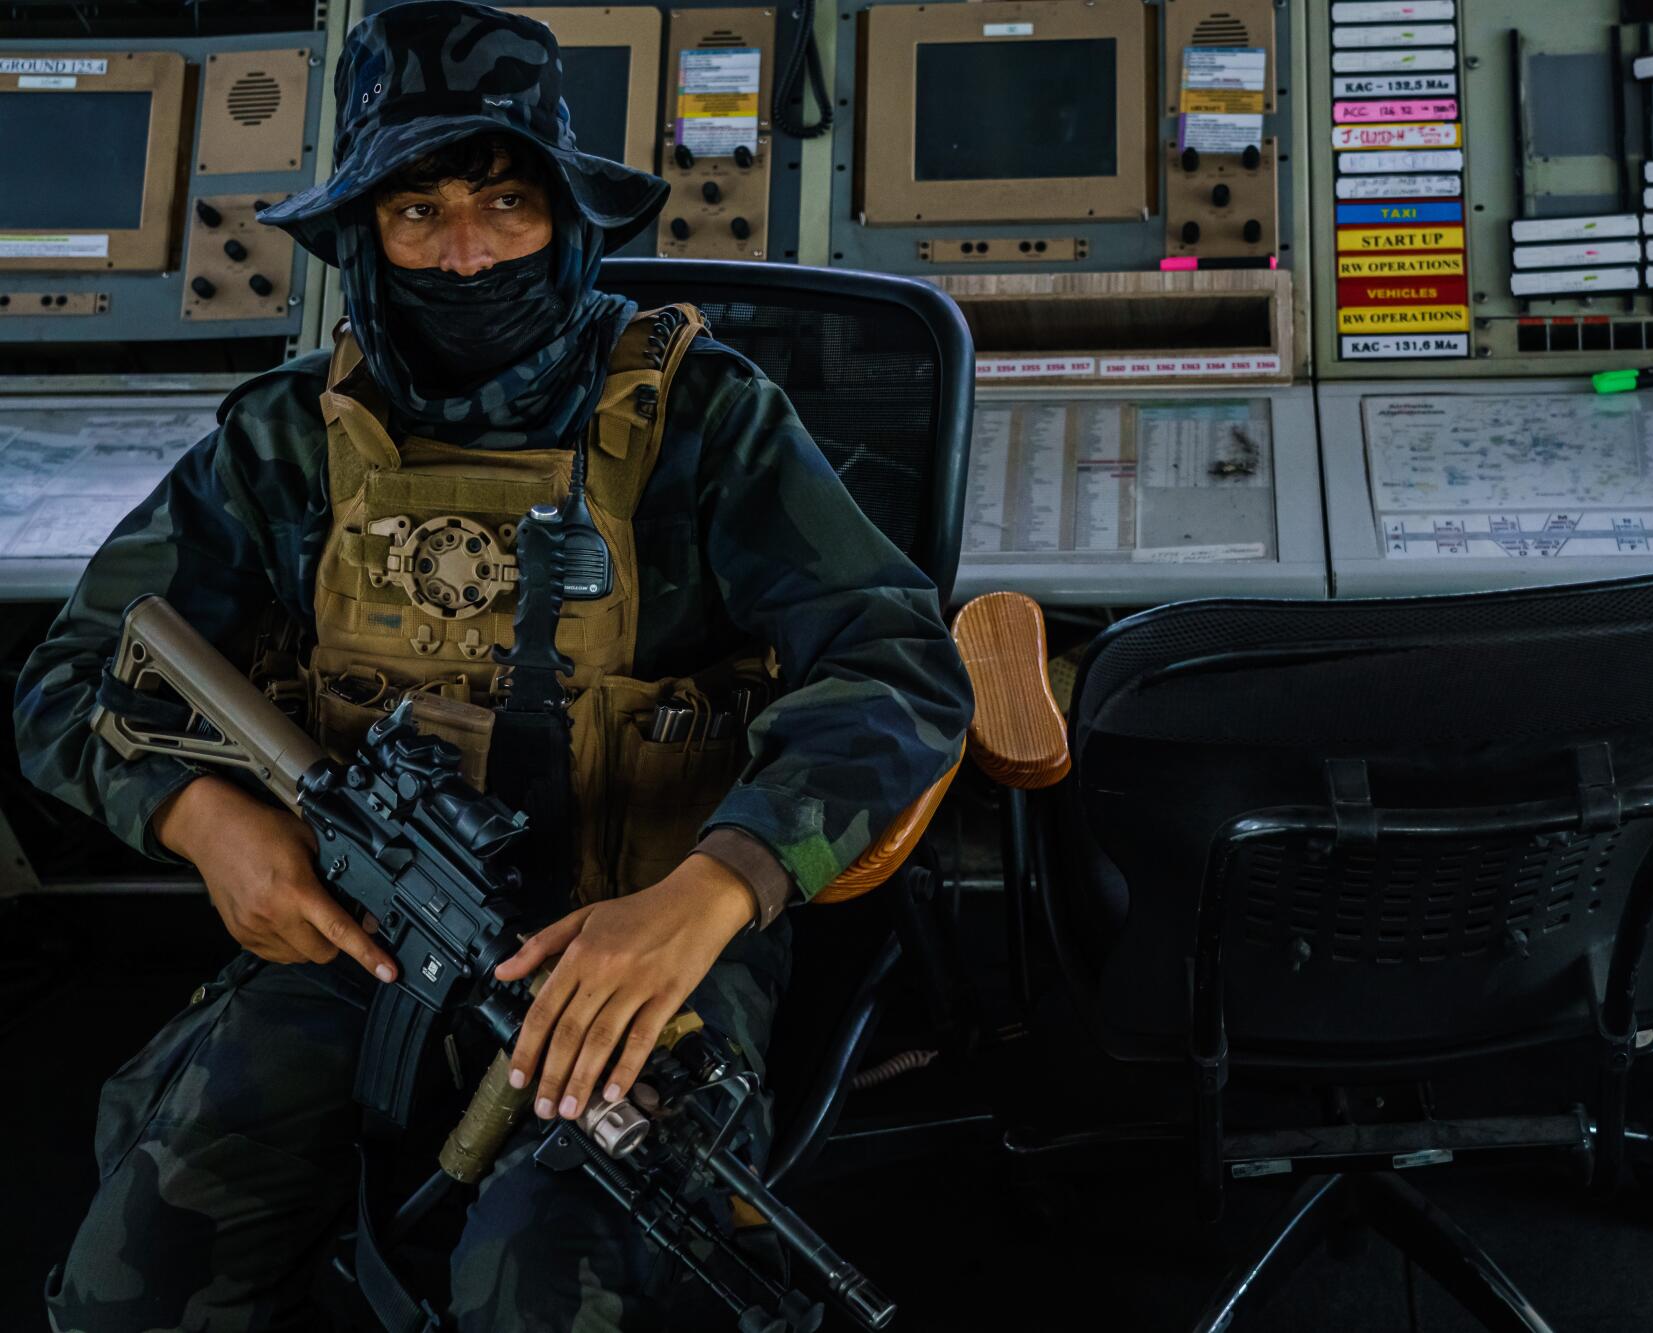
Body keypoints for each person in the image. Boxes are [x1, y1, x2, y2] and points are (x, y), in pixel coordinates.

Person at [14, 3, 974, 1328]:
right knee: (138, 1270)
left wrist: (715, 889)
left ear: (565, 218)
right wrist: (203, 819)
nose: (464, 256)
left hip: (637, 941)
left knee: (540, 1276)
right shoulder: (291, 441)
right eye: (418, 217)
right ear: (367, 237)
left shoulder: (707, 418)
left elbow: (900, 661)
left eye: (504, 205)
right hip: (366, 931)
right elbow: (76, 673)